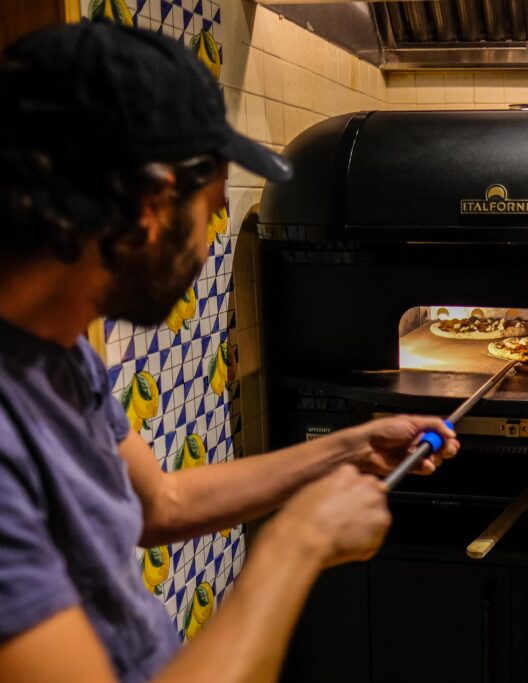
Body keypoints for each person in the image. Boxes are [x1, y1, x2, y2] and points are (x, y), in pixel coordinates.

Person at [0, 21, 459, 683]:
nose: (210, 246)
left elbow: (164, 502)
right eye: (212, 211)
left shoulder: (58, 350)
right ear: (152, 204)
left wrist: (347, 447)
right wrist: (297, 545)